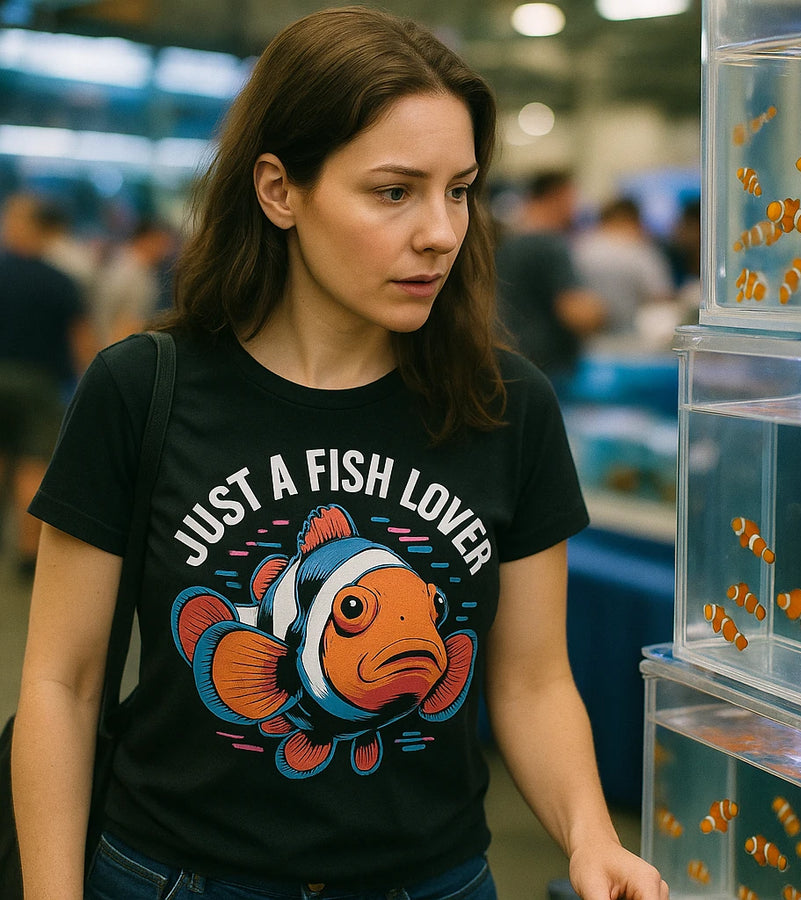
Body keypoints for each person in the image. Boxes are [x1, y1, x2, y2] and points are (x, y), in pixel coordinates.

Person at [11, 8, 669, 900]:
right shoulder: (142, 387)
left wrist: (591, 837)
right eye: (394, 192)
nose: (441, 231)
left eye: (460, 189)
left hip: (432, 882)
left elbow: (532, 679)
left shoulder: (508, 406)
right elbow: (63, 681)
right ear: (280, 190)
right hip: (177, 878)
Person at [0, 191, 93, 575]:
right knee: (33, 466)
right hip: (40, 384)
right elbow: (82, 343)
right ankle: (26, 556)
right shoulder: (61, 282)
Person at [495, 170, 606, 386]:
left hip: (513, 357)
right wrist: (601, 313)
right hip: (549, 368)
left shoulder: (508, 240)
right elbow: (575, 312)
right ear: (559, 197)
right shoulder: (550, 244)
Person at [573, 196, 674, 343]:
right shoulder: (640, 252)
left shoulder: (580, 248)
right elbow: (661, 298)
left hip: (585, 341)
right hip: (630, 341)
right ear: (633, 219)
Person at [90, 216, 176, 348]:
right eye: (162, 242)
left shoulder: (132, 266)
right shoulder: (131, 271)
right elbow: (126, 321)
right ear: (147, 239)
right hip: (118, 345)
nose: (166, 249)